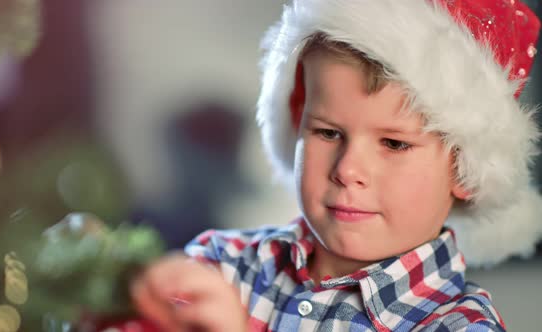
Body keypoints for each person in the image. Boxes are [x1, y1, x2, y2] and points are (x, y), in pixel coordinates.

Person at [130, 0, 541, 331]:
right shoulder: (221, 266)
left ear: (464, 167)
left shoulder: (461, 327)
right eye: (327, 133)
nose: (347, 169)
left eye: (394, 143)